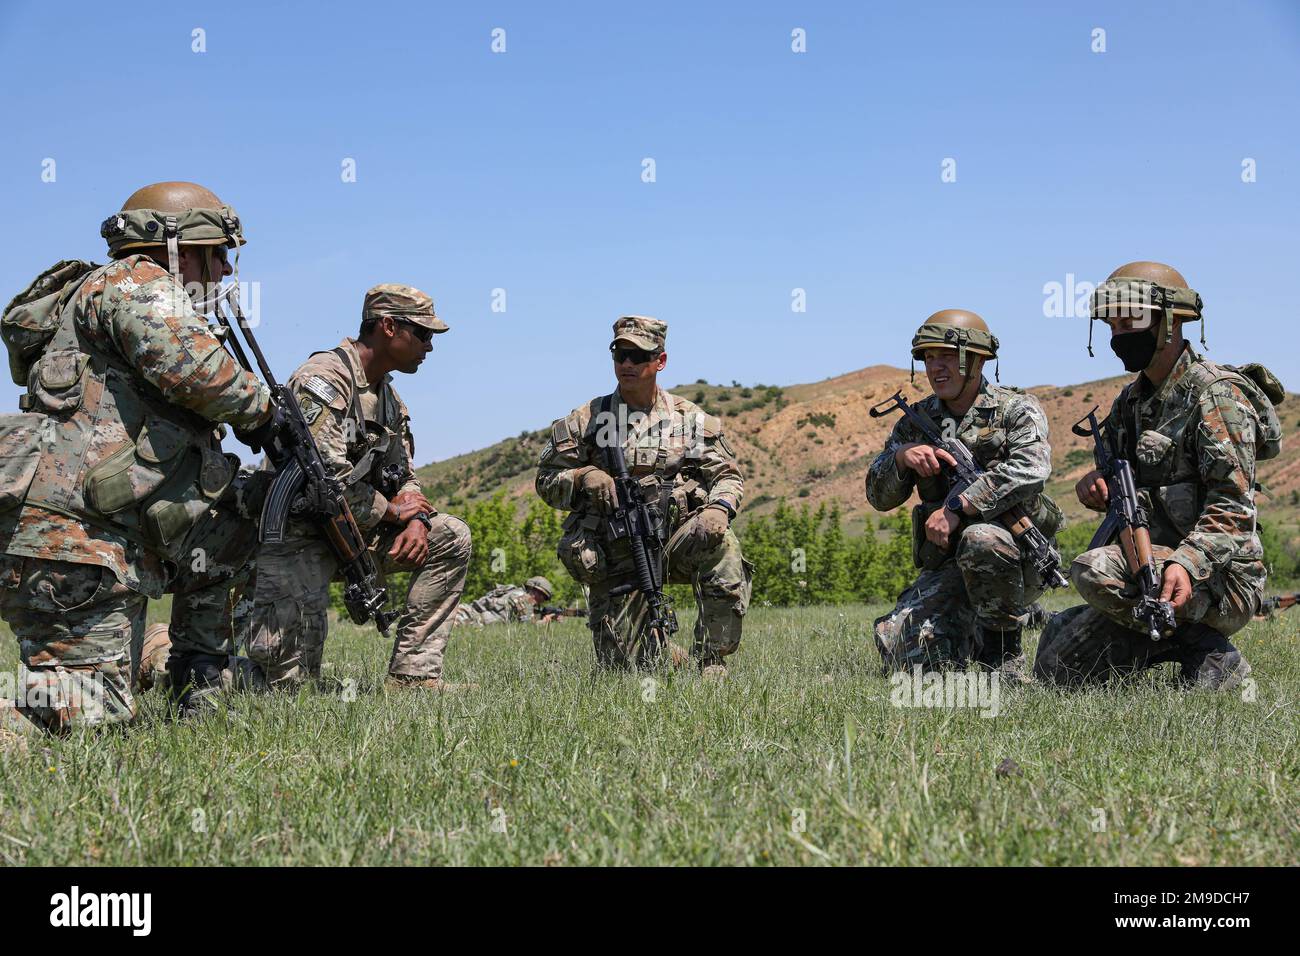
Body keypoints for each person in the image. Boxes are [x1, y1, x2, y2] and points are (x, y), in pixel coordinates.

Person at [0, 181, 276, 731]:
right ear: (174, 246)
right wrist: (267, 414)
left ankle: (198, 675)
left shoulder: (121, 295)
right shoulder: (133, 282)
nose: (223, 269)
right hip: (71, 542)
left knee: (238, 526)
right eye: (214, 252)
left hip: (115, 534)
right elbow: (204, 374)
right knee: (88, 716)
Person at [1035, 262, 1281, 690]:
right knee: (1057, 660)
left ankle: (1210, 652)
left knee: (1093, 569)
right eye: (1110, 322)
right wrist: (1096, 485)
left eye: (1129, 319)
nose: (1117, 333)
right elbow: (1116, 481)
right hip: (1147, 565)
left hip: (1221, 576)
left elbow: (1233, 508)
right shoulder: (1129, 404)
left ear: (1169, 323)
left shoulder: (1217, 396)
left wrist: (1187, 562)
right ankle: (1173, 642)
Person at [243, 284, 473, 690]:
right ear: (388, 326)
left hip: (354, 531)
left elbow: (404, 476)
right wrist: (390, 511)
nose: (429, 347)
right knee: (284, 689)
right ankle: (162, 660)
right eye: (423, 334)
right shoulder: (324, 377)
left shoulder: (390, 401)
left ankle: (413, 676)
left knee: (449, 536)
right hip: (301, 536)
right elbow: (324, 478)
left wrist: (417, 518)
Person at [535, 316, 751, 678]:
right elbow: (545, 481)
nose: (627, 364)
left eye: (638, 356)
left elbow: (727, 475)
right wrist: (583, 476)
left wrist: (719, 507)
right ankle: (662, 647)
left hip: (675, 538)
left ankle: (712, 659)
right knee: (626, 671)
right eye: (620, 355)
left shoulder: (689, 418)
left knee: (724, 544)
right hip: (616, 550)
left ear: (660, 361)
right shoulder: (587, 419)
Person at [867, 309, 1061, 678]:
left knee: (981, 537)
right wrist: (901, 458)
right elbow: (879, 497)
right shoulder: (916, 421)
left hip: (1018, 557)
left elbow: (1031, 469)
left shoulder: (1016, 409)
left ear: (976, 360)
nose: (936, 368)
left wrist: (959, 505)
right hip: (950, 562)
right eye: (928, 358)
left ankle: (1003, 654)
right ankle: (995, 620)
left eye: (947, 357)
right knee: (902, 647)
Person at [452, 575, 558, 626]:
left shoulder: (514, 592)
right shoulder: (524, 599)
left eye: (544, 597)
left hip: (465, 612)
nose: (541, 599)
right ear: (532, 589)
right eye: (540, 594)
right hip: (468, 619)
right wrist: (544, 622)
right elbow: (528, 626)